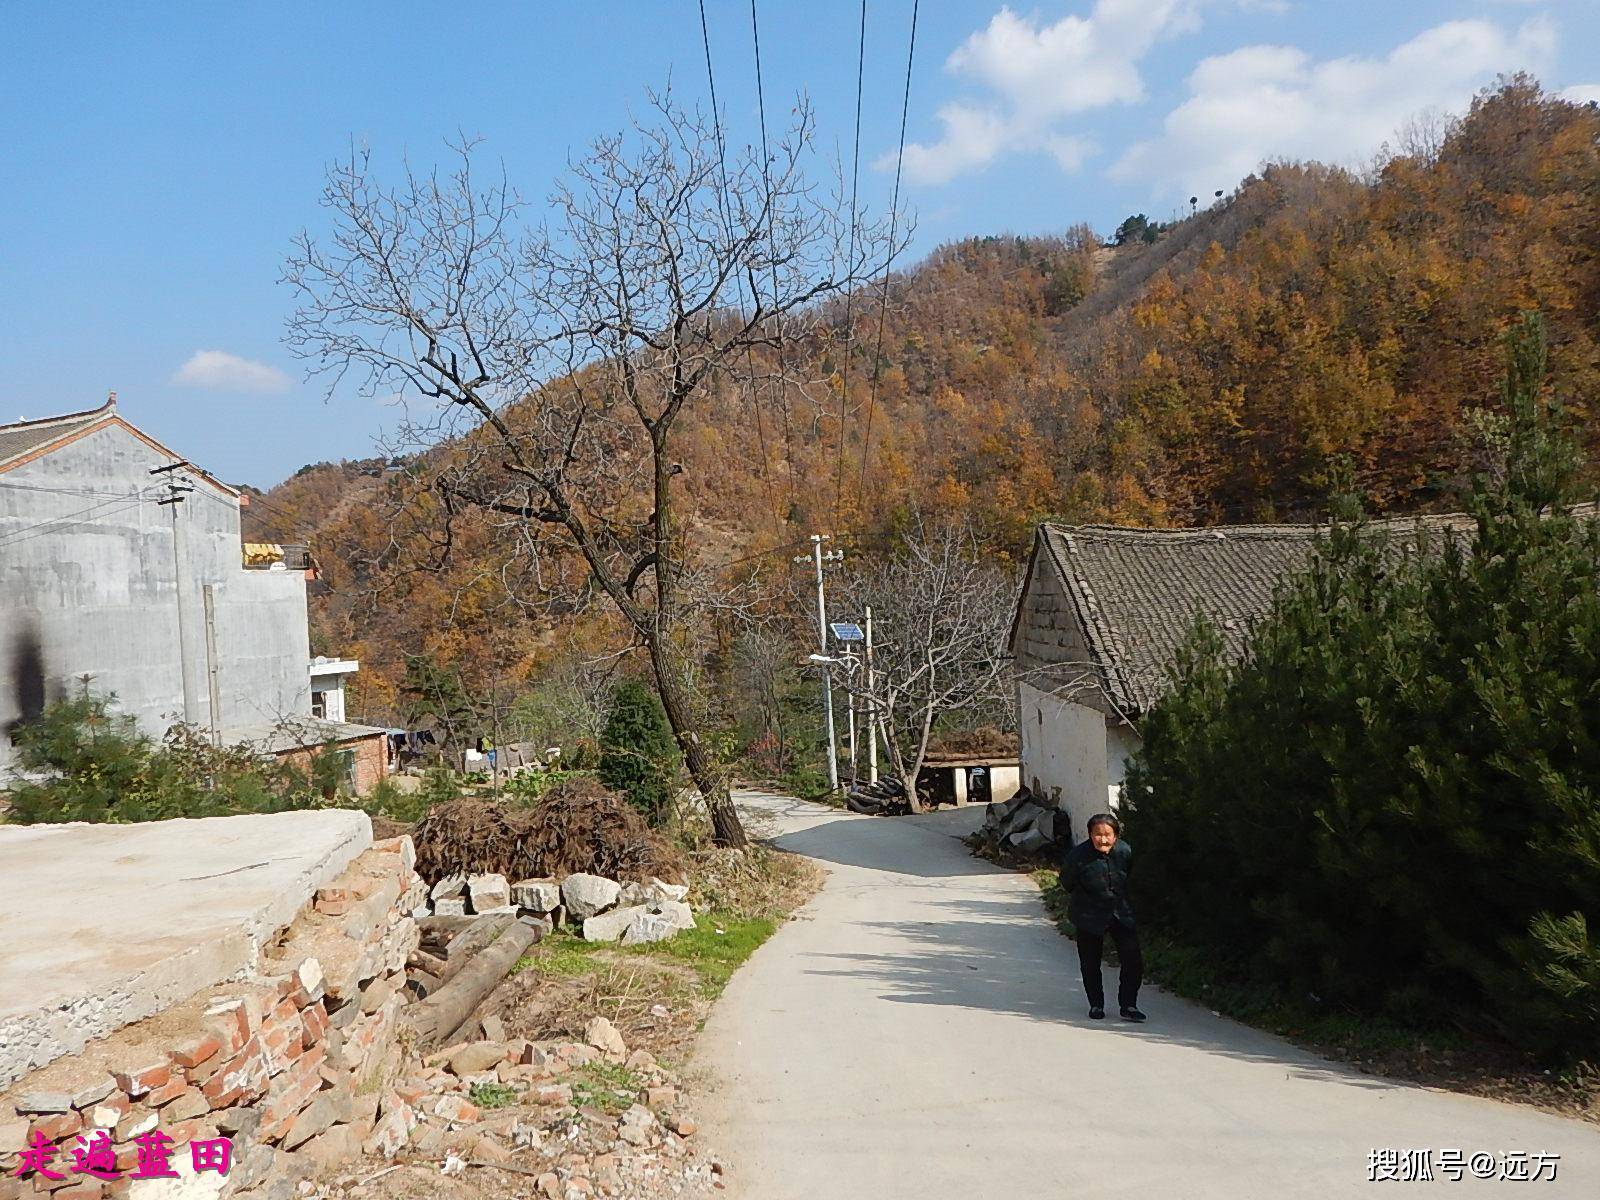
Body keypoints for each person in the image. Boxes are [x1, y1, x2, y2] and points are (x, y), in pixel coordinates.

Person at [1061, 812, 1145, 1022]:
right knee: (1090, 962)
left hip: (1121, 913)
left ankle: (1129, 1005)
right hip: (1089, 915)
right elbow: (1067, 882)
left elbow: (1133, 877)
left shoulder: (1125, 852)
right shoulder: (1078, 857)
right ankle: (1096, 1005)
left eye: (1108, 834)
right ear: (1090, 835)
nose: (1103, 839)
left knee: (1133, 960)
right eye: (1097, 834)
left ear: (1116, 836)